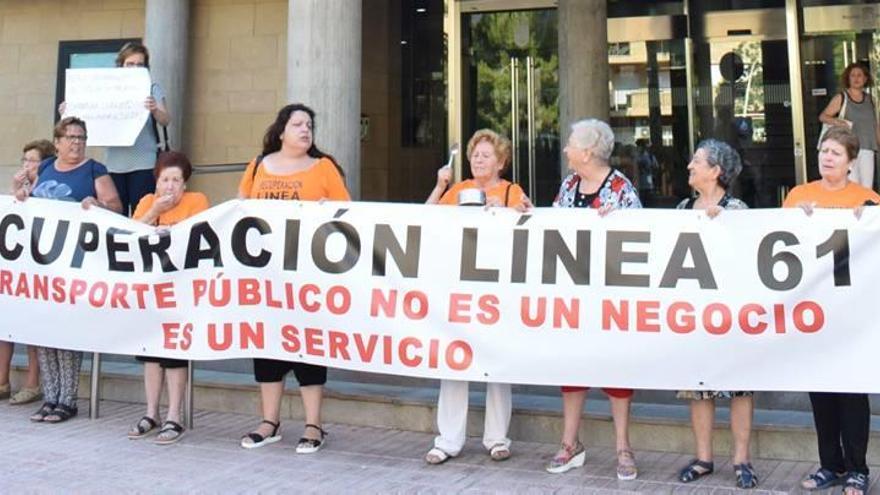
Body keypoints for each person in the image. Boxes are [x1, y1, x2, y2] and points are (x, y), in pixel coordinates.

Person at [237, 103, 349, 453]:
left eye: (310, 125)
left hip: (308, 276)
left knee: (309, 344)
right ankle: (269, 421)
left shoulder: (324, 167)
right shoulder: (257, 166)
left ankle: (314, 425)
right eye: (298, 124)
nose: (305, 130)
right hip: (266, 276)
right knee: (267, 345)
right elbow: (240, 208)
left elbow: (346, 211)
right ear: (281, 130)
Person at [544, 119, 641, 479]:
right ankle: (570, 444)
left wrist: (616, 222)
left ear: (587, 152)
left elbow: (639, 236)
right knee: (572, 368)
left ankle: (623, 447)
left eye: (571, 144)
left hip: (610, 295)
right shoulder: (570, 184)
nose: (566, 148)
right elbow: (553, 225)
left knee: (616, 369)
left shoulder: (620, 188)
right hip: (575, 294)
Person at [423, 129, 527, 465]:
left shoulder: (511, 191)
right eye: (474, 155)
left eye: (485, 155)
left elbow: (528, 226)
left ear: (501, 162)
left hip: (496, 291)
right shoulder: (458, 191)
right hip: (459, 287)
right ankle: (448, 440)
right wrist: (440, 187)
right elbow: (424, 220)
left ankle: (497, 438)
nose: (478, 160)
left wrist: (508, 211)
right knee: (454, 361)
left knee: (496, 362)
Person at [786, 127, 878, 495]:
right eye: (823, 151)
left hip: (852, 316)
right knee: (820, 390)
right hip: (812, 312)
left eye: (836, 153)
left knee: (852, 392)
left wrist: (867, 220)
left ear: (851, 161)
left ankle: (857, 468)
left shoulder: (868, 200)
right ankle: (830, 464)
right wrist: (799, 221)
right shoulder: (799, 197)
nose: (827, 157)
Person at [12, 117, 122, 423]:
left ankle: (68, 399)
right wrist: (21, 197)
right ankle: (50, 397)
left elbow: (116, 206)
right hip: (42, 264)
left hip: (75, 264)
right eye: (70, 137)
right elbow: (31, 199)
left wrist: (98, 205)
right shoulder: (46, 167)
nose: (76, 142)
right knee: (45, 330)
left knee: (68, 332)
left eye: (81, 137)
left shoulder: (94, 170)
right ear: (57, 142)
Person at [673, 139, 758, 489]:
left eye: (697, 161)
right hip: (693, 314)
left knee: (739, 387)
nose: (690, 166)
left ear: (716, 171)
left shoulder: (736, 209)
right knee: (698, 386)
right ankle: (704, 457)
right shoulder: (681, 208)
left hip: (731, 315)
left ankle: (741, 459)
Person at [126, 151, 209, 445]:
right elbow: (131, 234)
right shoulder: (148, 202)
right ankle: (151, 413)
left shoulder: (196, 201)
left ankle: (174, 414)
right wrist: (153, 213)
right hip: (151, 290)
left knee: (174, 353)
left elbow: (201, 236)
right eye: (165, 179)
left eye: (176, 180)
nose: (170, 185)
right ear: (156, 182)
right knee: (150, 352)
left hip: (182, 290)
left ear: (185, 184)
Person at [60, 42, 170, 215]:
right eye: (130, 64)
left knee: (142, 214)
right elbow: (88, 112)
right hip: (114, 163)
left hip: (144, 163)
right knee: (114, 214)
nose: (134, 68)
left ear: (146, 67)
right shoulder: (107, 89)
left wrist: (155, 108)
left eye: (139, 64)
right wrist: (70, 110)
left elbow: (165, 120)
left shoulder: (151, 88)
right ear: (121, 65)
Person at [0, 139, 56, 405]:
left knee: (33, 330)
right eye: (24, 161)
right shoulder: (21, 189)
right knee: (6, 325)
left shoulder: (48, 189)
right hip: (18, 267)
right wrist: (15, 190)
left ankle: (33, 384)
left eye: (32, 161)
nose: (27, 166)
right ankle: (2, 380)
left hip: (42, 268)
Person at [819, 62, 880, 190]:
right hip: (848, 149)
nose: (856, 78)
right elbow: (823, 116)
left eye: (860, 75)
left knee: (867, 188)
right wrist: (838, 122)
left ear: (865, 78)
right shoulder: (842, 98)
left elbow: (875, 125)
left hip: (867, 148)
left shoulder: (871, 100)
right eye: (853, 75)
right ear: (848, 78)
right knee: (852, 185)